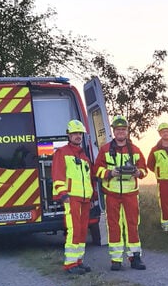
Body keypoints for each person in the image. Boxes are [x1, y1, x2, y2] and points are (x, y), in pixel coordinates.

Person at [93, 115, 147, 271]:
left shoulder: (135, 150)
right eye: (118, 130)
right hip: (111, 194)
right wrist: (110, 173)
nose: (121, 132)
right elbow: (97, 169)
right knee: (114, 226)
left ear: (127, 131)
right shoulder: (105, 150)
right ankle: (116, 259)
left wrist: (139, 172)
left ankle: (135, 257)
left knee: (132, 225)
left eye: (123, 129)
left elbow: (144, 168)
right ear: (114, 132)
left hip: (130, 194)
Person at [51, 119, 95, 275]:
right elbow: (57, 176)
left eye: (80, 133)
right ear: (68, 135)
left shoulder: (84, 156)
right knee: (74, 229)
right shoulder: (62, 153)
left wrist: (91, 197)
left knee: (83, 230)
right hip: (72, 198)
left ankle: (79, 261)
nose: (78, 136)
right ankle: (70, 264)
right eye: (75, 133)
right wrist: (64, 195)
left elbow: (89, 179)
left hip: (84, 199)